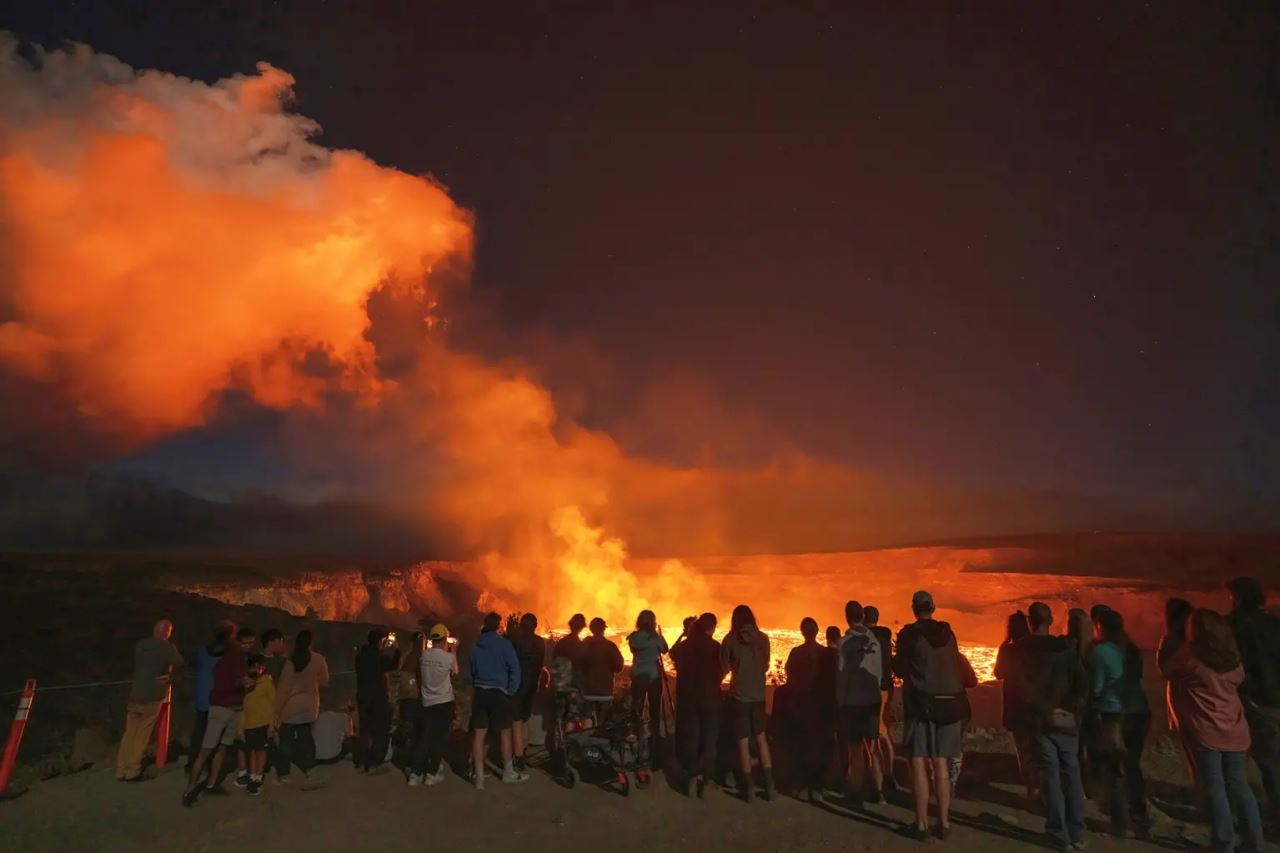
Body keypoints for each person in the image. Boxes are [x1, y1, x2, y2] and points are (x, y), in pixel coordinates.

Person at [1162, 608, 1265, 853]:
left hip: (1206, 732)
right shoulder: (1232, 659)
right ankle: (1256, 842)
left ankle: (1223, 843)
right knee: (1240, 786)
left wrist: (1175, 640)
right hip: (1235, 731)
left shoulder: (1191, 661)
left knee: (1215, 788)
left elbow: (1166, 669)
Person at [892, 590, 977, 841]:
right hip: (950, 705)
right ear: (934, 607)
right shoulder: (948, 635)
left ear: (914, 608)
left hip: (921, 706)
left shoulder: (910, 634)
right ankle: (944, 822)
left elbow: (899, 668)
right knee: (941, 762)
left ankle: (921, 825)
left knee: (918, 761)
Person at [1013, 602, 1088, 851]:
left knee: (1051, 776)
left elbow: (1021, 687)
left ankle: (1058, 832)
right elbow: (1081, 685)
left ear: (1030, 620)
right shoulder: (1067, 648)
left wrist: (1043, 708)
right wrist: (1069, 709)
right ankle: (1078, 833)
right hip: (1065, 719)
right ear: (1051, 619)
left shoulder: (1022, 650)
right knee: (1072, 773)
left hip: (1040, 720)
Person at [1088, 608, 1147, 837]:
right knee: (1132, 766)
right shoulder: (1132, 649)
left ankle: (1121, 822)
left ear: (1100, 627)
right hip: (1139, 712)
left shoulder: (1101, 651)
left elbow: (1096, 688)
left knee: (1113, 768)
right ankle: (1140, 816)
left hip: (1113, 715)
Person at [1227, 577, 1280, 826]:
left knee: (1241, 762)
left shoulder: (1233, 626)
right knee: (1272, 763)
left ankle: (1243, 817)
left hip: (1250, 702)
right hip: (1274, 701)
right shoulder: (1274, 623)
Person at [183, 620, 253, 806]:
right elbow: (238, 679)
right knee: (214, 747)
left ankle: (198, 781)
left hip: (205, 701)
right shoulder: (235, 656)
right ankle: (198, 786)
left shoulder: (204, 652)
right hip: (223, 705)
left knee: (203, 743)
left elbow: (193, 666)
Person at [117, 619, 183, 782]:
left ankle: (121, 769)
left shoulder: (141, 645)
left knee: (129, 733)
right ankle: (133, 770)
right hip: (152, 696)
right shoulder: (167, 648)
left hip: (135, 694)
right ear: (167, 632)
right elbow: (180, 663)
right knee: (142, 735)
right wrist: (169, 677)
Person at [721, 604, 774, 802]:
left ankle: (749, 790)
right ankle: (770, 788)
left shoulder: (730, 639)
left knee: (742, 743)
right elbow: (767, 664)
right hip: (759, 696)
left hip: (739, 697)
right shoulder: (763, 639)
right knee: (761, 739)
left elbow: (724, 667)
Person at [469, 611, 526, 788]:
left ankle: (478, 777)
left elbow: (469, 672)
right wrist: (511, 690)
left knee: (479, 735)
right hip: (499, 694)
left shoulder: (475, 647)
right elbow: (515, 670)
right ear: (498, 627)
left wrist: (477, 685)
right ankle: (508, 773)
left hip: (480, 693)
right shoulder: (504, 645)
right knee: (504, 733)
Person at [671, 612, 723, 798]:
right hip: (709, 697)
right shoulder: (716, 647)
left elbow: (672, 653)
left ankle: (691, 779)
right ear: (712, 627)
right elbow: (722, 669)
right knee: (709, 738)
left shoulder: (685, 646)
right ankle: (707, 781)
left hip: (688, 697)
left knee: (691, 736)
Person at [838, 601, 885, 805]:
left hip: (854, 702)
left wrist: (841, 700)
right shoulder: (873, 640)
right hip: (873, 700)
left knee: (856, 748)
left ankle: (856, 792)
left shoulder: (845, 642)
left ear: (846, 616)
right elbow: (879, 671)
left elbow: (842, 675)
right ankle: (878, 790)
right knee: (872, 747)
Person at [784, 617, 833, 802]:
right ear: (817, 630)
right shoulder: (826, 653)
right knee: (819, 746)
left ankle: (803, 785)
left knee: (803, 745)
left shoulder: (796, 653)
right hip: (821, 705)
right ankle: (818, 787)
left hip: (802, 704)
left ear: (802, 632)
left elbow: (789, 676)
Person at [274, 630, 329, 786]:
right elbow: (324, 681)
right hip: (310, 707)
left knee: (286, 741)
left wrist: (276, 711)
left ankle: (284, 774)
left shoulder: (290, 661)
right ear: (311, 643)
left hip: (291, 707)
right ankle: (309, 769)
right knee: (306, 738)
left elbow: (284, 687)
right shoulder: (319, 659)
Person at [995, 610, 1036, 803]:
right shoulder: (1034, 647)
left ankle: (1030, 787)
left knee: (1022, 747)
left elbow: (998, 673)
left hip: (1015, 703)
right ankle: (1040, 786)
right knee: (1037, 745)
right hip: (1035, 702)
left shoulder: (1007, 649)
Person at [411, 623, 458, 786]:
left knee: (424, 736)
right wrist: (454, 651)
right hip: (444, 702)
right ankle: (431, 773)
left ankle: (414, 774)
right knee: (438, 738)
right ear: (445, 638)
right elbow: (455, 672)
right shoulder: (449, 657)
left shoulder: (423, 655)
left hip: (427, 702)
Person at [1158, 597, 1196, 783]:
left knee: (1198, 760)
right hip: (1198, 703)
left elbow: (1164, 668)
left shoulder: (1173, 640)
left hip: (1186, 701)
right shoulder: (1201, 642)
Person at [628, 609, 669, 776]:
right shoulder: (655, 638)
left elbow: (634, 652)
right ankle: (654, 745)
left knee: (636, 709)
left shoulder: (633, 637)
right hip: (653, 677)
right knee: (654, 712)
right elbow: (665, 650)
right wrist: (659, 634)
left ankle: (636, 738)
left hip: (638, 676)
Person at [186, 621, 231, 776]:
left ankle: (193, 764)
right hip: (220, 700)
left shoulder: (202, 652)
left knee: (199, 733)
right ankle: (212, 767)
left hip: (202, 699)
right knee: (218, 736)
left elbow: (191, 664)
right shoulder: (230, 655)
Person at [355, 629, 399, 774]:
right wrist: (396, 649)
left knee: (365, 731)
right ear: (380, 641)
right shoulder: (378, 658)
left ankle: (362, 761)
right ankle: (374, 762)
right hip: (378, 699)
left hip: (363, 697)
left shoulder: (361, 656)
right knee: (380, 731)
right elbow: (393, 665)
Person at [864, 605, 897, 793]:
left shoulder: (864, 637)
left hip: (871, 689)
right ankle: (889, 772)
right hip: (887, 686)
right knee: (884, 731)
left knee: (873, 736)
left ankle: (878, 782)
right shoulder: (885, 636)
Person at [510, 613, 546, 771]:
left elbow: (510, 663)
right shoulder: (540, 642)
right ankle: (522, 751)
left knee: (516, 722)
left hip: (517, 685)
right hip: (532, 685)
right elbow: (540, 664)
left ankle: (517, 759)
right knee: (524, 719)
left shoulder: (515, 640)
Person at [240, 652, 275, 796]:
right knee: (252, 751)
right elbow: (244, 706)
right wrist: (240, 727)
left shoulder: (267, 682)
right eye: (253, 667)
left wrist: (272, 725)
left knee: (261, 751)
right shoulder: (247, 684)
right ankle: (252, 777)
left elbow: (274, 704)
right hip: (249, 724)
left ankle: (259, 777)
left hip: (263, 723)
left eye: (259, 667)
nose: (256, 669)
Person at [231, 626, 258, 788]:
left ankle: (250, 771)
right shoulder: (234, 658)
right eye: (245, 643)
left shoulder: (248, 657)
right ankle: (242, 772)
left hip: (247, 702)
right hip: (236, 701)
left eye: (251, 643)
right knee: (240, 738)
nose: (248, 646)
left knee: (246, 737)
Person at [580, 617, 624, 712]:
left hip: (587, 691)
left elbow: (577, 663)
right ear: (604, 629)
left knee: (587, 721)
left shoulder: (584, 645)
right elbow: (619, 667)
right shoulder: (610, 646)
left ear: (591, 628)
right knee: (602, 723)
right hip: (605, 692)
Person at [395, 632, 425, 764]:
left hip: (413, 698)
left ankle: (410, 758)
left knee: (413, 729)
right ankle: (410, 759)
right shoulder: (413, 657)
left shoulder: (417, 656)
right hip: (413, 698)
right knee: (411, 729)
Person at [553, 613, 588, 687]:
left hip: (562, 683)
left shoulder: (562, 642)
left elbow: (555, 662)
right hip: (575, 684)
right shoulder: (580, 645)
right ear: (581, 627)